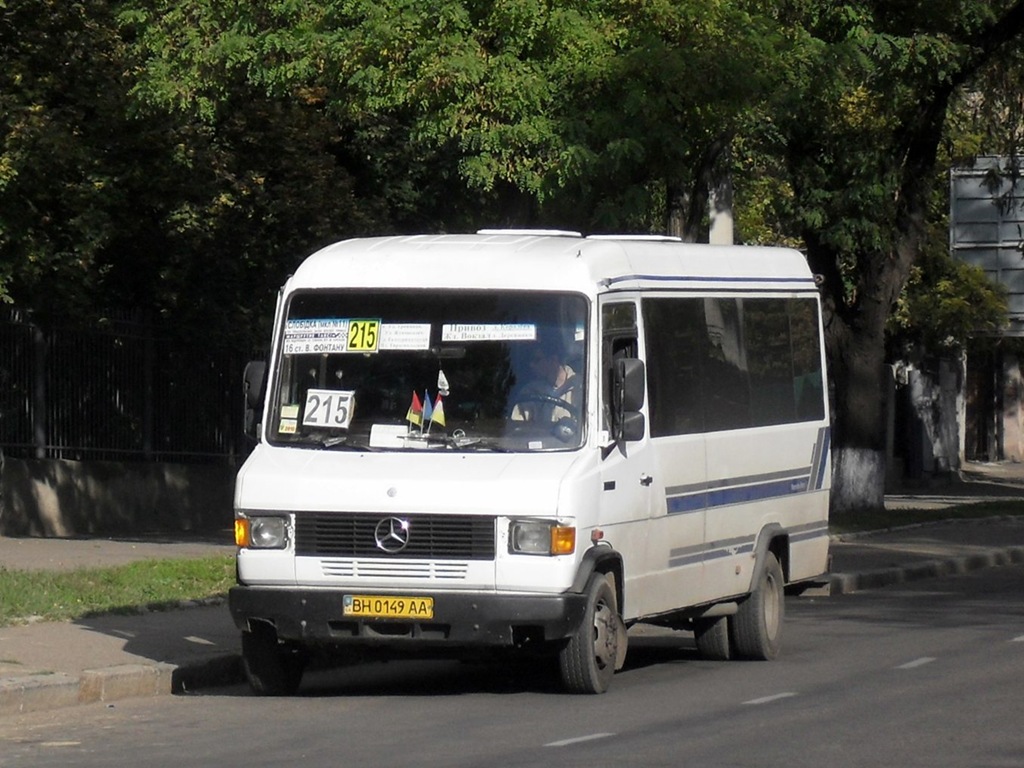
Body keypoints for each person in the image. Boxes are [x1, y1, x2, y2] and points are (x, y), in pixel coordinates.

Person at [509, 340, 578, 423]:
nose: (531, 365)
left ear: (553, 360)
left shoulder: (581, 387)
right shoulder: (529, 391)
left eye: (536, 360)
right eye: (530, 360)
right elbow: (517, 428)